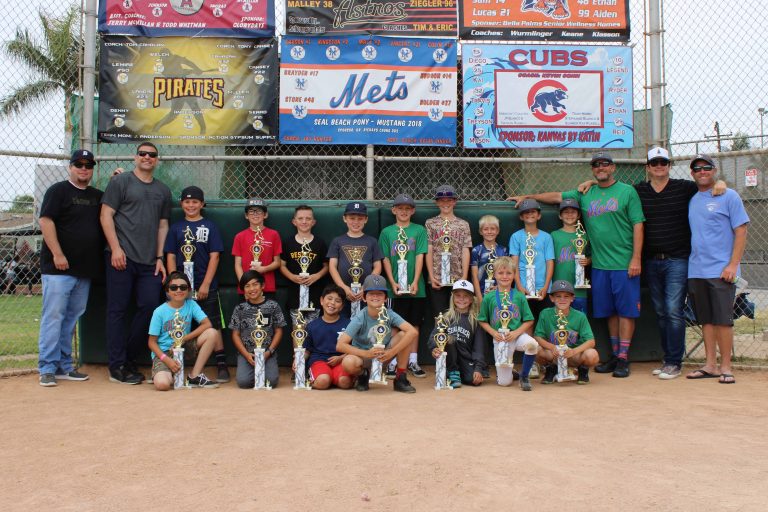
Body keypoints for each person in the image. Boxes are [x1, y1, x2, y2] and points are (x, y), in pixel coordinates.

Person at [510, 152, 645, 378]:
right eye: (596, 165)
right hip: (600, 265)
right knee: (610, 312)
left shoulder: (627, 191)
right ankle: (614, 355)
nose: (600, 167)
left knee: (626, 311)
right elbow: (556, 196)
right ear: (592, 169)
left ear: (613, 167)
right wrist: (528, 196)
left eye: (605, 164)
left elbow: (638, 224)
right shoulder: (585, 193)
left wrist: (636, 258)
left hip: (624, 262)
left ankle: (623, 357)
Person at [101, 141, 172, 384]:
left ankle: (128, 358)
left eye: (152, 154)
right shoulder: (121, 182)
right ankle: (117, 366)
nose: (147, 157)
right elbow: (106, 215)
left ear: (157, 160)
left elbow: (163, 225)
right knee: (117, 311)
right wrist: (115, 249)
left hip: (149, 262)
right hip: (121, 257)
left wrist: (160, 257)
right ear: (135, 157)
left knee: (150, 307)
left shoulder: (163, 190)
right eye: (142, 153)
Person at [37, 149, 103, 387]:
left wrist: (117, 180)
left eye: (88, 165)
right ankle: (47, 367)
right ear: (70, 167)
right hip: (59, 268)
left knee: (71, 319)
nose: (83, 169)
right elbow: (45, 220)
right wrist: (57, 253)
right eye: (79, 164)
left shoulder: (97, 196)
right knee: (54, 317)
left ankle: (64, 366)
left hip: (84, 269)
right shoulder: (58, 190)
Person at [686, 154, 749, 385]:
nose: (702, 172)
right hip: (697, 270)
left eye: (706, 167)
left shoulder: (729, 196)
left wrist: (733, 265)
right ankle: (710, 365)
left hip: (722, 271)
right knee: (706, 320)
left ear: (714, 170)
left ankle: (726, 367)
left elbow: (741, 231)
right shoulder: (693, 199)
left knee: (723, 320)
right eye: (697, 169)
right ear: (692, 174)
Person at [164, 185, 229, 383]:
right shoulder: (176, 228)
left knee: (213, 324)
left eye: (195, 202)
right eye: (187, 202)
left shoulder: (210, 226)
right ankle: (171, 363)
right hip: (181, 288)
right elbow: (171, 256)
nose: (191, 205)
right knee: (176, 322)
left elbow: (215, 256)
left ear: (202, 204)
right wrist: (173, 284)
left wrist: (206, 284)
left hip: (204, 285)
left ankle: (221, 363)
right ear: (181, 204)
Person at [336, 274, 418, 393]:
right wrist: (366, 353)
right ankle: (363, 375)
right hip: (363, 358)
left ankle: (400, 377)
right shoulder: (360, 317)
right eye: (371, 293)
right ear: (364, 297)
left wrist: (391, 353)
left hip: (384, 355)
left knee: (404, 335)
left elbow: (412, 332)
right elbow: (340, 345)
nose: (375, 296)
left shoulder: (389, 314)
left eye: (379, 293)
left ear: (385, 298)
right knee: (348, 362)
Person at [378, 193, 428, 379]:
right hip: (394, 288)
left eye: (407, 209)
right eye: (400, 208)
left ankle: (412, 361)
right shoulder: (387, 232)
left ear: (413, 211)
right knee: (395, 325)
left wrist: (415, 281)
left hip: (416, 288)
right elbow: (385, 259)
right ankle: (393, 361)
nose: (404, 211)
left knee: (414, 324)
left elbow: (420, 256)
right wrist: (392, 282)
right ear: (394, 210)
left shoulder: (419, 230)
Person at [148, 272, 221, 390]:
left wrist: (184, 338)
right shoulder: (159, 311)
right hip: (164, 353)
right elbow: (151, 342)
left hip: (183, 346)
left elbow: (207, 324)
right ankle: (163, 373)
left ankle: (194, 376)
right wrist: (167, 360)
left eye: (183, 287)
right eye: (174, 287)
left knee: (212, 333)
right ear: (167, 291)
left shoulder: (191, 304)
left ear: (188, 290)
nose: (179, 290)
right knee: (163, 384)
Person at [477, 256, 538, 390]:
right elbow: (482, 320)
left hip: (516, 335)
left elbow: (529, 320)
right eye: (500, 273)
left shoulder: (519, 296)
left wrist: (516, 333)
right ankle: (512, 374)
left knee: (532, 344)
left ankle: (524, 376)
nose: (505, 276)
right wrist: (494, 333)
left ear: (514, 275)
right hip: (499, 338)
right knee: (504, 383)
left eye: (509, 273)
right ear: (494, 274)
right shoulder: (489, 297)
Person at [534, 280, 598, 385]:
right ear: (552, 298)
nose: (562, 299)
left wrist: (573, 351)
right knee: (535, 349)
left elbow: (591, 342)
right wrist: (551, 347)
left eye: (566, 296)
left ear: (572, 298)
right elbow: (538, 336)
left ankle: (582, 371)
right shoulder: (545, 314)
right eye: (558, 296)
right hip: (554, 354)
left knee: (592, 354)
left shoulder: (580, 316)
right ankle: (551, 369)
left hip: (573, 355)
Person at [229, 270, 286, 388]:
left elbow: (279, 331)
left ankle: (264, 369)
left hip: (267, 353)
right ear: (243, 289)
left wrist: (269, 352)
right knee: (243, 382)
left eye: (255, 284)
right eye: (247, 286)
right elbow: (235, 334)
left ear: (262, 286)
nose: (252, 289)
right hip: (246, 353)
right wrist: (246, 354)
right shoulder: (239, 308)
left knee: (271, 382)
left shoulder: (273, 306)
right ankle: (251, 370)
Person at [327, 202, 383, 317]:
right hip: (342, 293)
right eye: (352, 218)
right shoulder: (338, 241)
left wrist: (366, 287)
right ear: (345, 218)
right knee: (343, 323)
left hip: (365, 293)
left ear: (366, 220)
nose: (356, 222)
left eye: (360, 219)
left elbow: (378, 266)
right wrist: (343, 287)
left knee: (365, 322)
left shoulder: (372, 241)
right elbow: (332, 267)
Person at [427, 280, 485, 388]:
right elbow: (433, 337)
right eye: (458, 295)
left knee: (472, 380)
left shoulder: (475, 320)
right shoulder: (445, 318)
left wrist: (478, 368)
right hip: (448, 359)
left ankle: (455, 374)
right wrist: (434, 348)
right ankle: (452, 371)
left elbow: (479, 347)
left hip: (466, 359)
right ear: (453, 298)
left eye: (466, 296)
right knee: (449, 338)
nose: (461, 299)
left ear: (471, 299)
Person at [425, 184, 472, 316]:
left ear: (454, 201)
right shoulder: (430, 223)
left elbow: (465, 250)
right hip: (437, 277)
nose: (445, 203)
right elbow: (429, 249)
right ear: (437, 202)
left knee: (458, 315)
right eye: (442, 200)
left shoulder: (463, 224)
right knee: (439, 315)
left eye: (449, 200)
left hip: (457, 276)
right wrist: (431, 276)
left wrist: (464, 276)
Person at [509, 198, 555, 318]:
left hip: (542, 288)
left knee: (544, 321)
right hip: (523, 288)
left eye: (533, 211)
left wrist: (546, 287)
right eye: (526, 212)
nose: (530, 214)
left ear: (539, 215)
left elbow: (549, 262)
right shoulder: (516, 237)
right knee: (525, 322)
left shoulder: (546, 237)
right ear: (521, 217)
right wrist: (519, 286)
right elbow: (514, 264)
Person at [280, 205, 329, 313]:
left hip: (315, 294)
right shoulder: (288, 242)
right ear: (294, 222)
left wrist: (316, 276)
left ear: (313, 222)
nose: (304, 221)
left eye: (308, 218)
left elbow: (326, 266)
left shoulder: (320, 243)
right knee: (297, 324)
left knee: (313, 324)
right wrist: (292, 277)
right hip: (294, 295)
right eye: (300, 218)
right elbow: (282, 265)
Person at [303, 285, 352, 390]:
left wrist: (341, 358)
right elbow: (307, 350)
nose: (332, 303)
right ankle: (320, 379)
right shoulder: (312, 325)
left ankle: (333, 378)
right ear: (321, 301)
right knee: (323, 382)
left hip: (341, 362)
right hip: (318, 361)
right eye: (329, 298)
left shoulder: (349, 324)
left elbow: (355, 348)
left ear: (342, 306)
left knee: (345, 382)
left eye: (337, 301)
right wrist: (298, 360)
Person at [232, 198, 282, 300]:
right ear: (246, 216)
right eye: (251, 211)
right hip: (247, 291)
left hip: (267, 287)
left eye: (259, 211)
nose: (255, 214)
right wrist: (245, 286)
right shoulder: (239, 236)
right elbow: (238, 264)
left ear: (265, 215)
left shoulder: (274, 234)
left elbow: (277, 262)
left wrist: (263, 269)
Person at [551, 198, 591, 313]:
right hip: (559, 287)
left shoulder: (584, 236)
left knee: (579, 319)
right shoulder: (554, 235)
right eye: (566, 212)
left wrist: (588, 260)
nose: (569, 215)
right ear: (560, 216)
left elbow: (592, 255)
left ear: (578, 215)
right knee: (560, 320)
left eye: (573, 212)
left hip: (579, 288)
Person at [470, 214, 508, 302]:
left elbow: (506, 274)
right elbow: (474, 276)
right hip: (480, 294)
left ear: (498, 231)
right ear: (480, 231)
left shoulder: (503, 250)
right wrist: (479, 298)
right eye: (486, 229)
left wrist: (499, 288)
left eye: (493, 229)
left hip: (500, 294)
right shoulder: (476, 250)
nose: (489, 232)